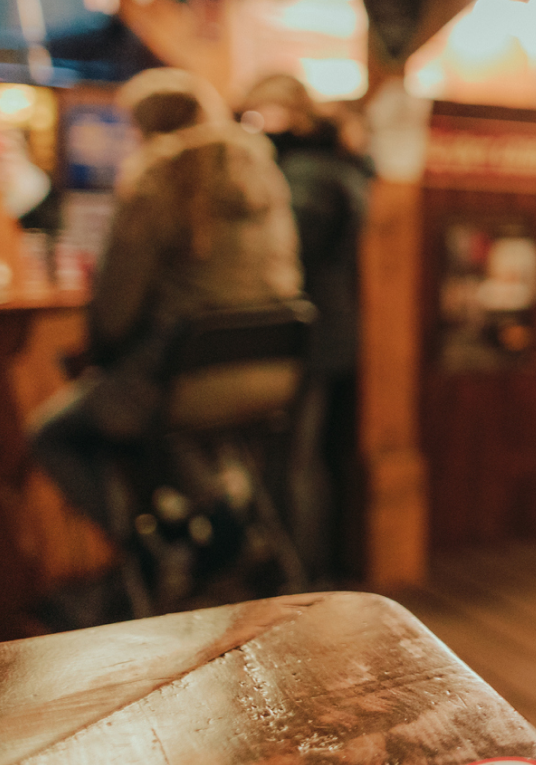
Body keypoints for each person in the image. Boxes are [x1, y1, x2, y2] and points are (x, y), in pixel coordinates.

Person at [30, 68, 301, 538]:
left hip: (181, 383)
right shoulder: (264, 173)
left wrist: (99, 349)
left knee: (51, 433)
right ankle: (217, 528)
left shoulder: (158, 177)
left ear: (143, 126)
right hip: (268, 378)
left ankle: (147, 553)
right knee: (179, 434)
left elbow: (113, 314)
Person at [236, 74, 373, 583]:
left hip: (307, 332)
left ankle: (296, 576)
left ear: (291, 115)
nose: (252, 125)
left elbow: (294, 248)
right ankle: (308, 567)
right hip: (328, 328)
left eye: (260, 114)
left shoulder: (304, 172)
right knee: (306, 457)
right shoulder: (332, 163)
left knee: (293, 461)